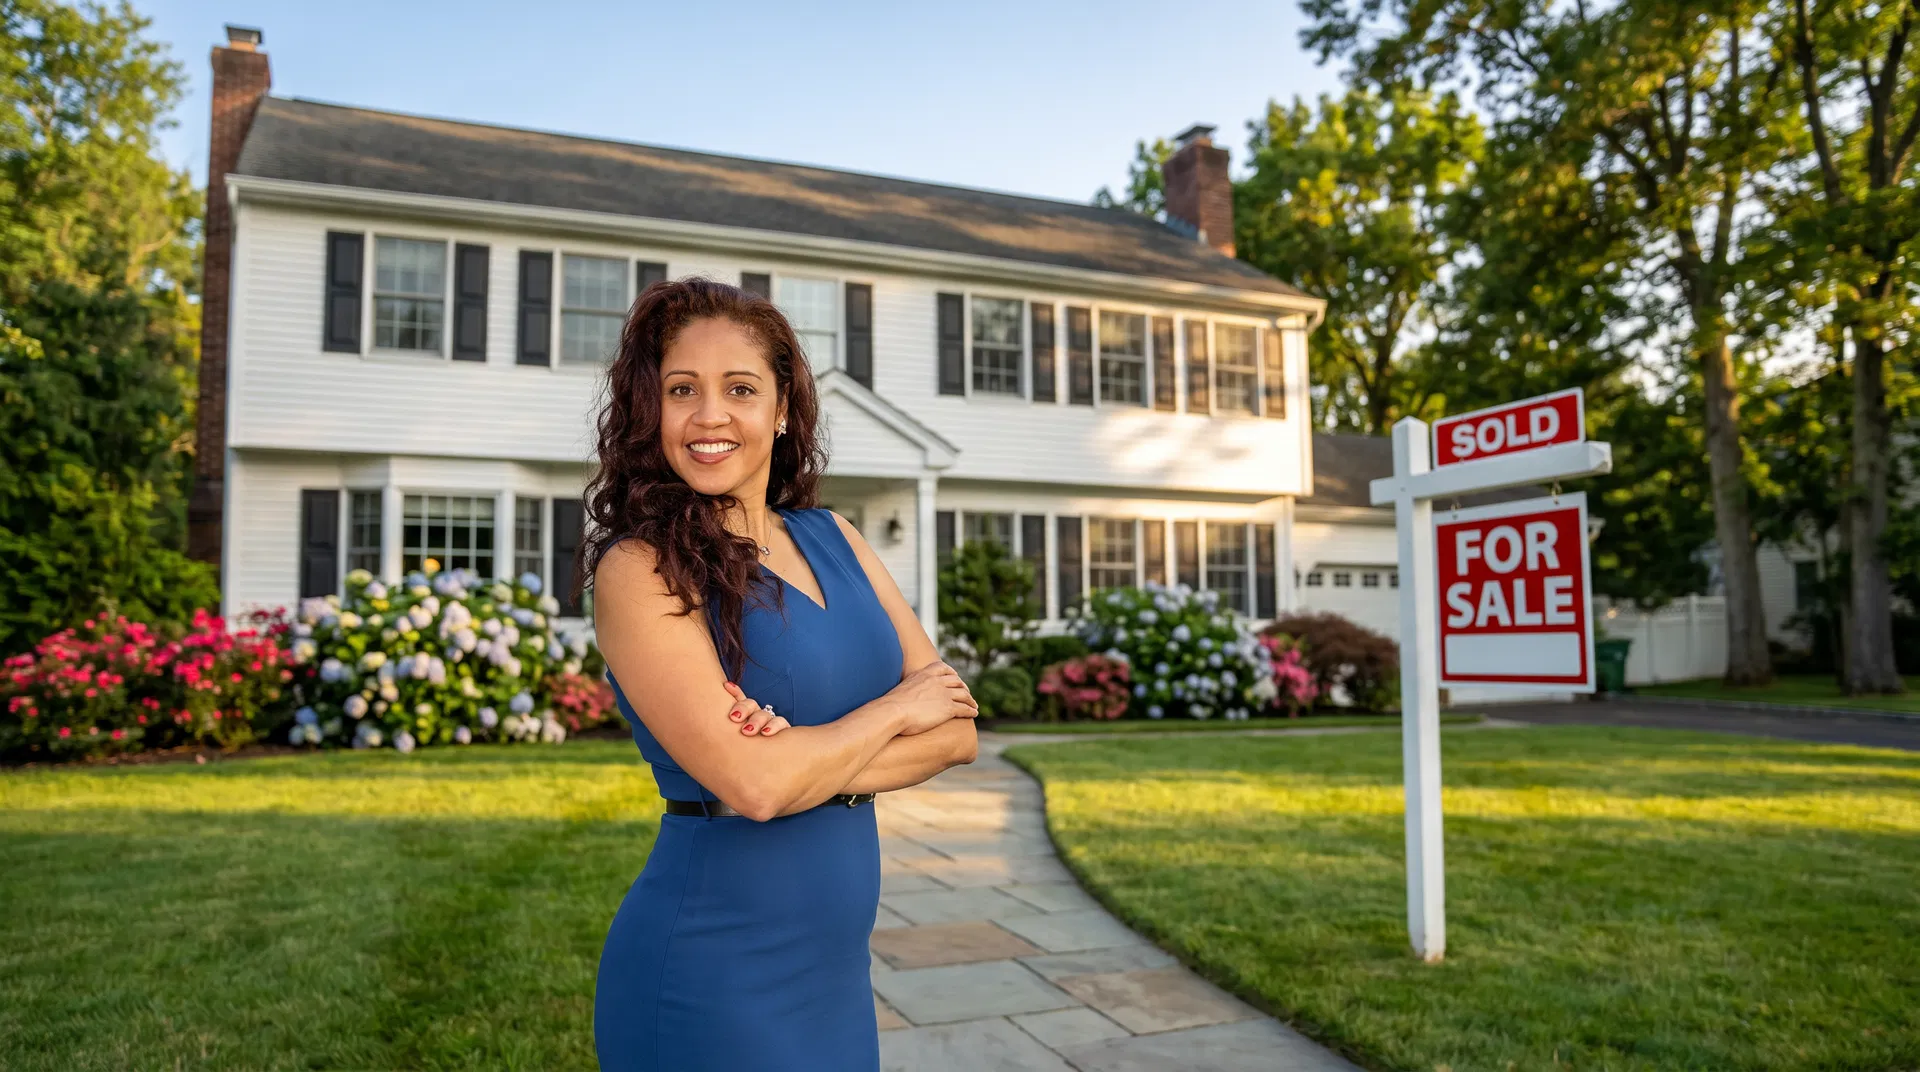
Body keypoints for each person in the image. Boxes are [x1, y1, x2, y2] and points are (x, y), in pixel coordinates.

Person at [583, 277, 979, 1071]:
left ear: (784, 408)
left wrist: (797, 759)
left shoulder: (836, 535)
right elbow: (757, 788)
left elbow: (960, 732)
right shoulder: (641, 569)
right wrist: (893, 710)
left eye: (740, 389)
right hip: (711, 970)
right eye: (681, 390)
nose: (708, 416)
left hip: (836, 977)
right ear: (649, 409)